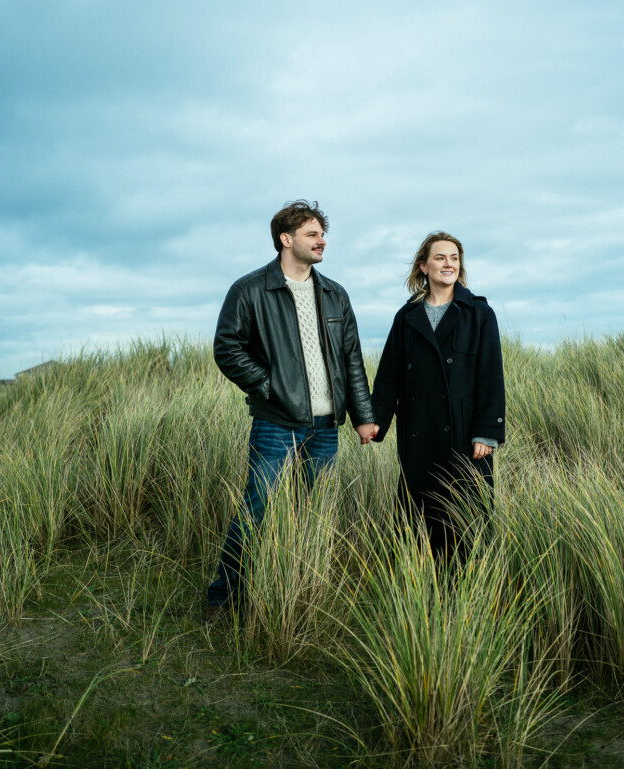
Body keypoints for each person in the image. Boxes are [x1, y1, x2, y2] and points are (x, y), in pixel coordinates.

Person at [206, 200, 379, 617]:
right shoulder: (249, 290)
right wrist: (270, 387)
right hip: (276, 422)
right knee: (257, 508)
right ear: (286, 240)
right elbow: (227, 348)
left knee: (309, 513)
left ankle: (289, 591)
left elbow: (351, 359)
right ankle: (225, 599)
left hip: (325, 427)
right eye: (312, 234)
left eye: (322, 234)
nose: (322, 241)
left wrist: (363, 416)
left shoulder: (335, 294)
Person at [370, 231, 505, 560]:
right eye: (441, 257)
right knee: (418, 523)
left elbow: (491, 376)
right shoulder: (406, 317)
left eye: (455, 258)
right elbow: (389, 374)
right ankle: (421, 592)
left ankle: (468, 593)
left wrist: (487, 431)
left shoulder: (478, 313)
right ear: (424, 266)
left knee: (466, 520)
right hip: (418, 435)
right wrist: (373, 421)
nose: (449, 264)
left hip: (464, 436)